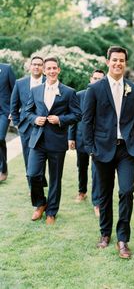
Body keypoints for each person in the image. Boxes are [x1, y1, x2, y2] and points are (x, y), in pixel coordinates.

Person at [82, 46, 134, 258]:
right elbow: (87, 121)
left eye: (122, 60)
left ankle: (123, 239)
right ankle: (105, 233)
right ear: (108, 62)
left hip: (127, 149)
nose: (118, 64)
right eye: (114, 60)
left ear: (125, 63)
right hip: (102, 149)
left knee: (126, 191)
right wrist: (91, 148)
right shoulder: (95, 89)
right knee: (105, 194)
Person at [25, 57, 81, 225]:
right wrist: (35, 119)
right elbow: (27, 112)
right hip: (38, 141)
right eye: (48, 68)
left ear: (59, 70)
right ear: (43, 70)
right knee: (32, 174)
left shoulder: (69, 92)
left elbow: (77, 114)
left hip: (57, 142)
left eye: (54, 68)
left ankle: (51, 211)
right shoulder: (35, 91)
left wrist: (61, 119)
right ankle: (40, 203)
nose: (51, 71)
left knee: (55, 178)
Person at [68, 69, 105, 217]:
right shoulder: (79, 95)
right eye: (94, 78)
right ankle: (81, 191)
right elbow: (74, 117)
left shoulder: (105, 96)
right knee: (81, 166)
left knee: (97, 171)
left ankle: (97, 202)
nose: (96, 81)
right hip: (81, 137)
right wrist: (71, 137)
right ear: (90, 79)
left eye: (100, 79)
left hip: (99, 141)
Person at [10, 56, 48, 189]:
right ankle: (32, 186)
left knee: (41, 156)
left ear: (43, 67)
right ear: (30, 66)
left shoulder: (48, 81)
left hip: (44, 127)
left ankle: (40, 184)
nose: (36, 67)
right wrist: (17, 123)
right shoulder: (20, 83)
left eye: (39, 64)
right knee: (28, 157)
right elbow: (13, 105)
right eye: (34, 64)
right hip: (25, 128)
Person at [0, 62, 16, 181]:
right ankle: (3, 169)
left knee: (0, 138)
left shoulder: (6, 69)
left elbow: (16, 90)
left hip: (4, 112)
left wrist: (14, 109)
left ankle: (3, 170)